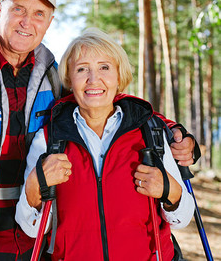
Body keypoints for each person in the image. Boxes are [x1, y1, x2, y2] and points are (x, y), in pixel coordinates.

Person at [0, 0, 196, 261]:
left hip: (35, 240)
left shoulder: (53, 77)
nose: (26, 21)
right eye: (18, 9)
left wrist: (170, 130)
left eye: (39, 13)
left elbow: (99, 99)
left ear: (49, 22)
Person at [15, 28, 195, 260]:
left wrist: (169, 190)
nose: (93, 79)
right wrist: (35, 184)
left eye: (104, 67)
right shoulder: (49, 139)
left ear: (119, 77)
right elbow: (31, 228)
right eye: (82, 69)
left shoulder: (150, 132)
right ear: (70, 80)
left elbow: (182, 218)